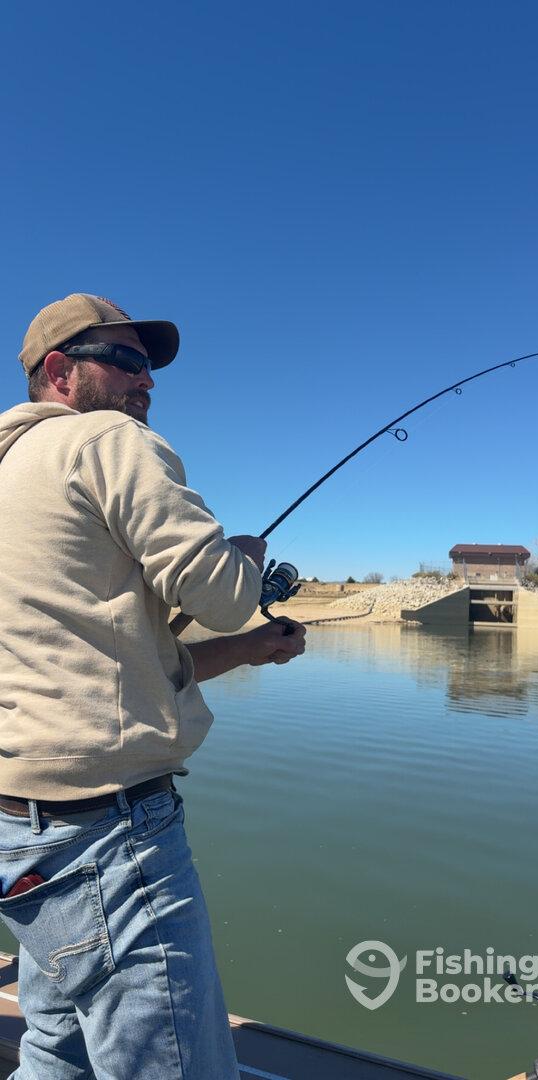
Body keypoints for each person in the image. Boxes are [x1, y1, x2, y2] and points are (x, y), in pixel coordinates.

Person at [0, 293, 306, 1079]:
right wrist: (242, 552)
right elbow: (222, 590)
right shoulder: (106, 440)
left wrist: (244, 652)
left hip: (25, 839)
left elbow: (102, 663)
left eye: (149, 369)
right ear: (61, 373)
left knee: (55, 1048)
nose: (147, 385)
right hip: (108, 841)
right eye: (127, 362)